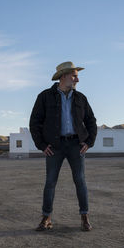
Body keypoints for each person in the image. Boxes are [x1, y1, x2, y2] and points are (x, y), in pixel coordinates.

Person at [29, 61, 97, 231]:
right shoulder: (44, 96)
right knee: (50, 182)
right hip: (54, 146)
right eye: (74, 76)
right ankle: (46, 218)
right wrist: (42, 145)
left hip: (76, 145)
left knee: (80, 181)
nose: (77, 80)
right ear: (64, 76)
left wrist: (89, 142)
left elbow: (91, 121)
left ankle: (84, 218)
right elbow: (34, 122)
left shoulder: (81, 98)